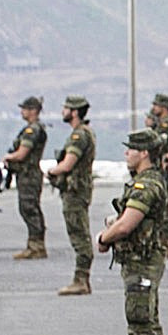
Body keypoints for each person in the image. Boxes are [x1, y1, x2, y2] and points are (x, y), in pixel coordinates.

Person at [98, 129, 168, 335]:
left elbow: (127, 223)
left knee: (140, 320)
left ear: (144, 153)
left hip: (141, 261)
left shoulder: (146, 185)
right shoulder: (151, 181)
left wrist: (104, 238)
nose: (126, 153)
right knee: (151, 320)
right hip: (147, 258)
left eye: (131, 149)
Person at [48, 95, 98, 294]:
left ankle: (81, 279)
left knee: (79, 234)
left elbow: (68, 163)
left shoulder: (79, 135)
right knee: (79, 232)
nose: (63, 111)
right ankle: (81, 279)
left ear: (74, 112)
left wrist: (52, 171)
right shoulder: (84, 132)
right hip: (78, 189)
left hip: (75, 191)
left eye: (66, 108)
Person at [4, 97, 50, 258]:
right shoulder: (33, 129)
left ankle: (36, 246)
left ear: (33, 111)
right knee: (29, 208)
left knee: (30, 208)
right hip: (27, 174)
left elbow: (22, 153)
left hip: (29, 174)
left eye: (25, 109)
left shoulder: (32, 131)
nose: (22, 112)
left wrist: (9, 157)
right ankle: (34, 244)